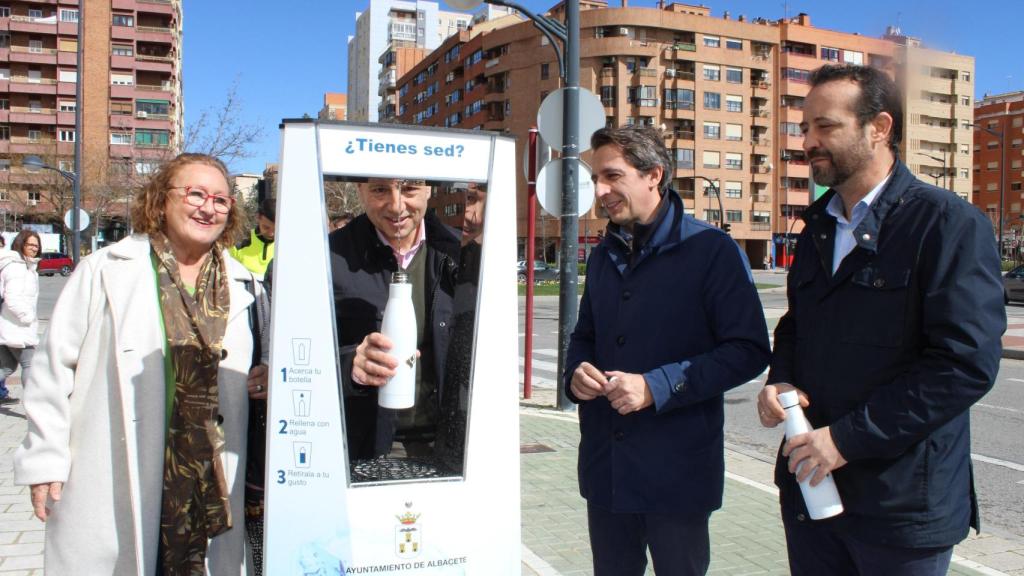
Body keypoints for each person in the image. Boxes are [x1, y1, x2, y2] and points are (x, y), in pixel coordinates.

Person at [756, 64, 1005, 576]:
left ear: (880, 128)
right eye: (805, 128)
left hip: (901, 509)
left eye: (826, 127)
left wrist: (845, 440)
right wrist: (778, 377)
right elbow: (796, 327)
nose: (809, 142)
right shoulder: (816, 228)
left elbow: (962, 366)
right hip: (812, 496)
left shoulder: (946, 224)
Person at [14, 153, 270, 576]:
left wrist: (261, 377)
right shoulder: (106, 270)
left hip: (210, 474)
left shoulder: (245, 283)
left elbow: (258, 363)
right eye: (195, 194)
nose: (208, 208)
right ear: (161, 200)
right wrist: (44, 459)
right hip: (115, 464)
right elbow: (50, 370)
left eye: (221, 200)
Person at [566, 126, 771, 575]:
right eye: (596, 179)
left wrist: (656, 386)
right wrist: (576, 374)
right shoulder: (604, 254)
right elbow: (585, 334)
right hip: (607, 469)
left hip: (676, 474)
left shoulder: (711, 250)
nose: (600, 191)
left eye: (612, 176)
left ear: (653, 175)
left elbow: (748, 350)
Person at [329, 177, 459, 462]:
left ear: (429, 189)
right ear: (360, 190)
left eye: (410, 188)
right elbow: (297, 356)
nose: (396, 205)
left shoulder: (460, 253)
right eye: (379, 189)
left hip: (446, 442)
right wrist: (350, 364)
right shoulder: (326, 258)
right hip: (362, 445)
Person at [0, 230, 42, 405]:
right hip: (17, 327)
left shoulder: (25, 267)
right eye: (30, 244)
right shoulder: (17, 267)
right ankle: (34, 406)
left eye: (37, 245)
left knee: (6, 367)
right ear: (21, 244)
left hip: (11, 325)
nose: (35, 248)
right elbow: (13, 298)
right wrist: (28, 318)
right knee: (30, 365)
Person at [230, 197, 275, 277]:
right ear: (258, 218)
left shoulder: (287, 247)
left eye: (276, 229)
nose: (271, 233)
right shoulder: (240, 244)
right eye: (266, 227)